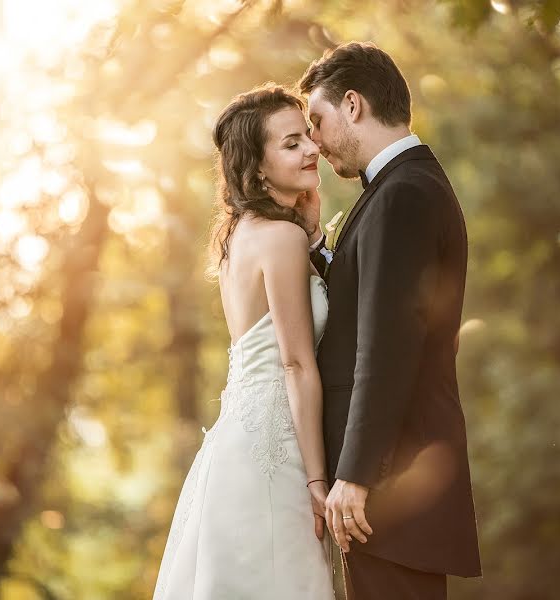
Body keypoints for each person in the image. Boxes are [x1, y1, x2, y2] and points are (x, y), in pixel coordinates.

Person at [298, 42, 482, 600]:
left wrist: (355, 475)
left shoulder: (402, 194)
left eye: (318, 122)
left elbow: (387, 345)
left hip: (391, 488)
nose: (314, 143)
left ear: (353, 105)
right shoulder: (399, 187)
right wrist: (314, 243)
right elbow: (366, 304)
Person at [152, 84, 336, 599]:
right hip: (278, 454)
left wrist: (313, 237)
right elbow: (297, 366)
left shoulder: (241, 235)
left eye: (307, 138)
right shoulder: (281, 239)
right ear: (256, 167)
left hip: (239, 440)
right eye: (292, 143)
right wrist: (318, 483)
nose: (311, 150)